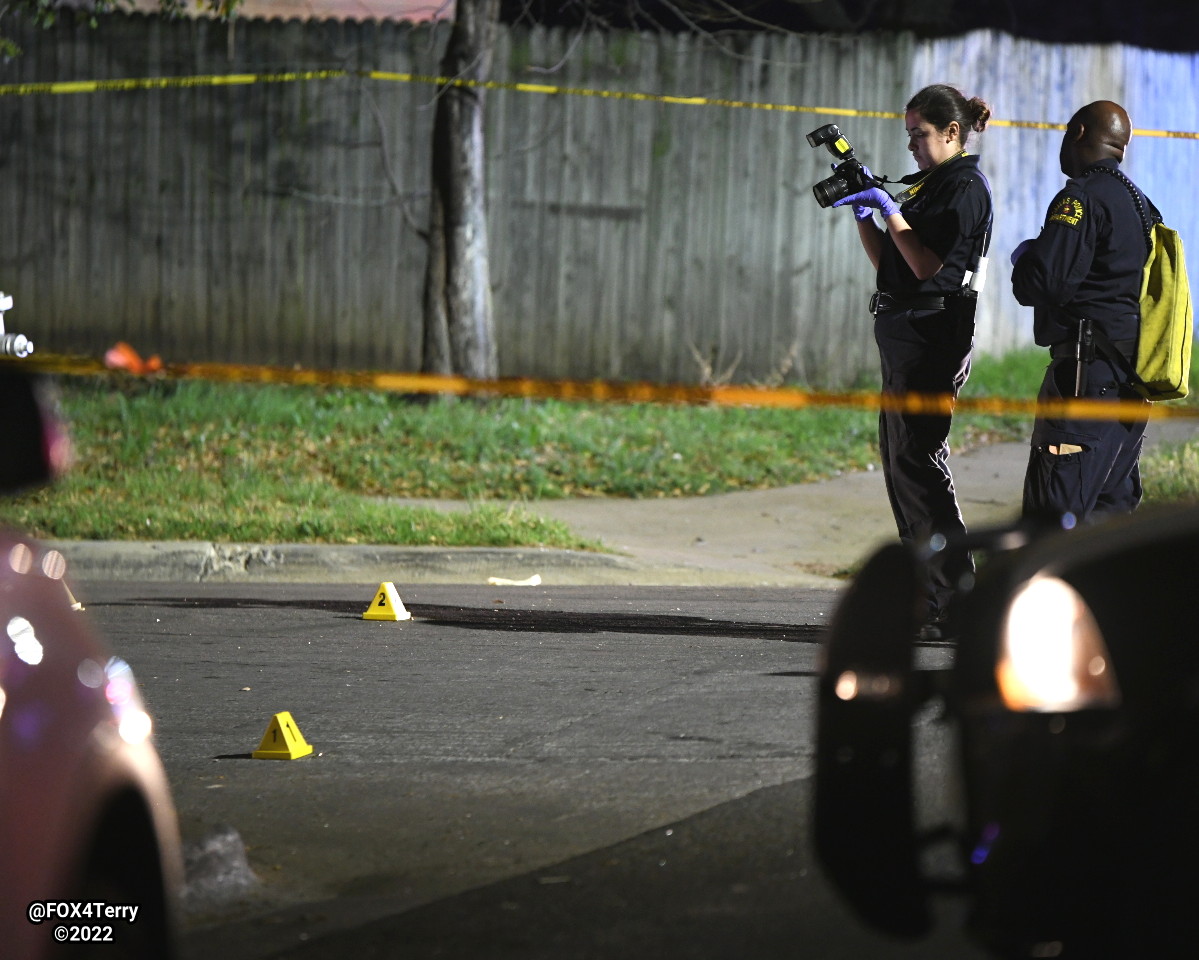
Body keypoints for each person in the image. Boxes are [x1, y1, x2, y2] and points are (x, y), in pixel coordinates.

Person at [830, 83, 993, 640]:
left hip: (932, 335)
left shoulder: (964, 186)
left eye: (919, 136)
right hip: (905, 334)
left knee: (920, 464)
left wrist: (891, 208)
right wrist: (865, 216)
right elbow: (891, 262)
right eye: (908, 136)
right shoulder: (931, 184)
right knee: (901, 465)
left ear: (952, 133)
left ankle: (956, 596)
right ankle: (928, 595)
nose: (912, 147)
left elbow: (925, 266)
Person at [1010, 100, 1151, 525]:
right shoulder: (1142, 205)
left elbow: (1043, 283)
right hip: (1129, 383)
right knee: (1107, 524)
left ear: (1078, 133)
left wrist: (1028, 258)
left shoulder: (1080, 198)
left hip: (1083, 382)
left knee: (1051, 523)